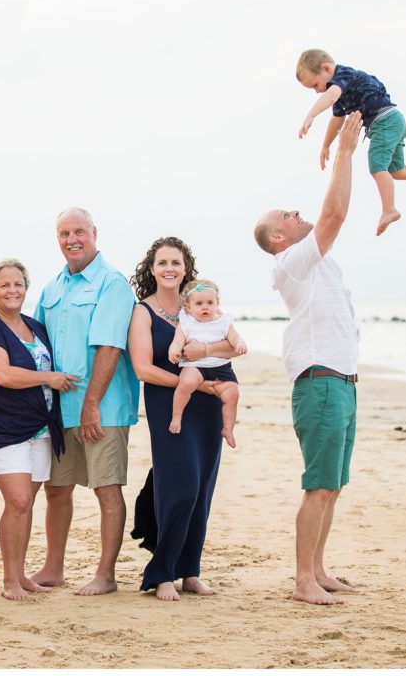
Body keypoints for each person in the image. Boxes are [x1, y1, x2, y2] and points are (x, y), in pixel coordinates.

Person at [254, 111, 364, 605]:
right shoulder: (290, 263)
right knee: (319, 485)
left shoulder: (319, 262)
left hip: (342, 381)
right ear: (278, 238)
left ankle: (318, 571)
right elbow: (335, 216)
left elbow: (330, 223)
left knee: (334, 485)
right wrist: (343, 152)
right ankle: (302, 581)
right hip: (319, 381)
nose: (299, 215)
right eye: (289, 217)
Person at [30, 207, 139, 596]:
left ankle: (106, 575)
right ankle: (53, 569)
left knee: (106, 489)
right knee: (56, 489)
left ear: (94, 233)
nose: (71, 239)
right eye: (64, 233)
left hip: (103, 410)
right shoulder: (52, 288)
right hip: (60, 411)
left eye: (79, 231)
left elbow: (110, 345)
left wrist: (92, 403)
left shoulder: (112, 283)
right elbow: (35, 344)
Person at [127, 237, 241, 601]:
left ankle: (190, 571)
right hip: (169, 404)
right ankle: (161, 574)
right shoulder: (143, 312)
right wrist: (196, 385)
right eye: (162, 263)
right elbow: (143, 368)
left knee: (203, 488)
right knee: (181, 488)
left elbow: (231, 344)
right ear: (152, 269)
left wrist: (206, 354)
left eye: (176, 262)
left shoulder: (202, 305)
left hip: (208, 409)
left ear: (185, 267)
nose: (169, 268)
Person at [0, 259, 80, 600]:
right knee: (17, 500)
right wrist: (49, 378)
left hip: (39, 427)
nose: (12, 290)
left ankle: (20, 574)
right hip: (2, 427)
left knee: (26, 503)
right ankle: (9, 581)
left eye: (18, 284)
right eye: (4, 285)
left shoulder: (34, 326)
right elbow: (1, 374)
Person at [296, 48, 406, 235]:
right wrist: (326, 145)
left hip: (385, 121)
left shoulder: (343, 76)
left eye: (315, 85)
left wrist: (311, 115)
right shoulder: (339, 92)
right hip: (392, 120)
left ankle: (389, 209)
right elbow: (337, 119)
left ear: (326, 69)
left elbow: (330, 95)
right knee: (396, 171)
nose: (317, 91)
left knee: (377, 166)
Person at [167, 279, 248, 446]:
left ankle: (228, 429)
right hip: (194, 366)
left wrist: (239, 343)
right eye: (199, 303)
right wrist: (174, 350)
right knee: (186, 383)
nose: (205, 307)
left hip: (221, 367)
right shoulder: (186, 323)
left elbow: (234, 338)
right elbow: (177, 341)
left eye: (210, 302)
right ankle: (177, 416)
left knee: (232, 394)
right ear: (188, 307)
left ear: (217, 303)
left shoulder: (223, 322)